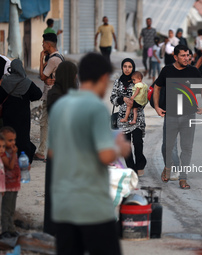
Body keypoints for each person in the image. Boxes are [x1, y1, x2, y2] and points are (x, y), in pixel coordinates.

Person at [48, 53, 129, 254]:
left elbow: (51, 152)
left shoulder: (60, 105)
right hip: (91, 206)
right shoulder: (96, 108)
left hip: (63, 206)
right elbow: (105, 156)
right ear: (103, 78)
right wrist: (121, 148)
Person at [153, 44, 202, 189]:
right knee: (167, 146)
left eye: (188, 55)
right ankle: (168, 167)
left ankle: (183, 178)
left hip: (189, 116)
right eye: (183, 55)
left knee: (187, 148)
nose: (186, 58)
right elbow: (157, 87)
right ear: (175, 57)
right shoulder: (167, 70)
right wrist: (157, 107)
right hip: (170, 115)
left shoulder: (193, 71)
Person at [44, 61, 78, 236]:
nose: (76, 78)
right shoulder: (57, 95)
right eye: (74, 75)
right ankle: (54, 227)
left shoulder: (66, 94)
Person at [0, 59, 42, 163]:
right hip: (23, 115)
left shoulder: (5, 81)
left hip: (8, 114)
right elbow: (38, 94)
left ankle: (10, 158)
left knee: (9, 136)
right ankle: (25, 158)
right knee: (23, 136)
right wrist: (27, 97)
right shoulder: (26, 82)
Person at [110, 58, 147, 176]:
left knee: (138, 143)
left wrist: (135, 103)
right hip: (122, 118)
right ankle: (131, 169)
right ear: (122, 67)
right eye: (125, 66)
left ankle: (140, 164)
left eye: (129, 67)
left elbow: (144, 98)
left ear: (133, 68)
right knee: (126, 146)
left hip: (137, 117)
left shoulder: (137, 80)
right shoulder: (117, 82)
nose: (127, 69)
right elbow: (113, 99)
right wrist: (122, 99)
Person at [35, 33, 64, 161]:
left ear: (48, 44)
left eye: (43, 43)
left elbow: (42, 76)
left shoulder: (53, 60)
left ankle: (48, 153)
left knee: (47, 124)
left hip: (52, 96)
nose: (42, 45)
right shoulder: (59, 57)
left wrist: (41, 59)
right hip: (55, 95)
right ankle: (43, 151)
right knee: (46, 123)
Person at [0, 127, 21, 238]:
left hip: (14, 184)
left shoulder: (12, 151)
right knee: (6, 209)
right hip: (6, 185)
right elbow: (10, 166)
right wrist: (14, 154)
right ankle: (4, 229)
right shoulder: (3, 154)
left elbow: (16, 166)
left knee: (11, 208)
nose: (13, 143)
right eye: (10, 140)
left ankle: (11, 228)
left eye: (14, 140)